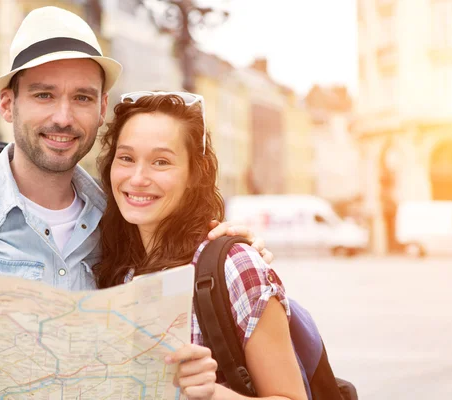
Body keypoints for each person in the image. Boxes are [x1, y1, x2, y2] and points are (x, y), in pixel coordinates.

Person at [0, 7, 271, 400]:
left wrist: (226, 247)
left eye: (81, 97)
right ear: (8, 104)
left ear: (100, 108)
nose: (63, 117)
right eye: (44, 95)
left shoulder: (121, 218)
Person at [94, 92, 308, 400]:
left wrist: (212, 394)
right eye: (126, 158)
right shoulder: (112, 266)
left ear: (195, 173)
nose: (138, 178)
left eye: (161, 162)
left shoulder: (235, 266)